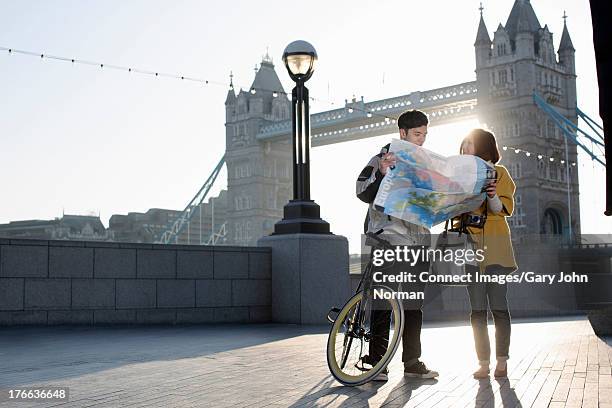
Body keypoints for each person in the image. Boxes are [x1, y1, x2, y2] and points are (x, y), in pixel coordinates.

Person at [356, 109, 439, 381]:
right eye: (417, 134)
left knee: (413, 304)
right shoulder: (381, 158)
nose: (422, 140)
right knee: (382, 301)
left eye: (425, 134)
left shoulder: (425, 164)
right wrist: (381, 172)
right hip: (388, 238)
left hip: (418, 242)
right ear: (402, 133)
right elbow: (362, 192)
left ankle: (412, 363)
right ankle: (377, 363)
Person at [456, 128, 517, 379]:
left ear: (482, 146)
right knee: (477, 311)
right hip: (470, 250)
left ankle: (501, 361)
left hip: (496, 251)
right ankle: (483, 362)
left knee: (499, 308)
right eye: (462, 145)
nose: (463, 149)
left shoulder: (500, 173)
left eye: (468, 144)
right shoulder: (460, 178)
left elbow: (501, 208)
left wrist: (491, 194)